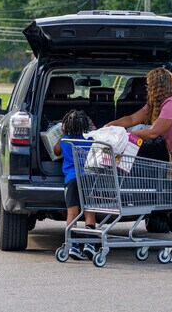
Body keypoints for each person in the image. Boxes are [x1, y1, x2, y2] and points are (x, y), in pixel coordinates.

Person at [107, 68, 172, 263]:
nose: (147, 88)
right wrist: (112, 126)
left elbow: (154, 133)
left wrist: (126, 135)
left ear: (157, 86)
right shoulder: (156, 104)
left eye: (149, 85)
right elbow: (131, 119)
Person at [54, 109, 97, 261]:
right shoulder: (90, 140)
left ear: (66, 127)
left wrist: (62, 133)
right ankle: (90, 245)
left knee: (72, 213)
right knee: (89, 211)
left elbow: (56, 152)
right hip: (88, 179)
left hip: (71, 180)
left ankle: (73, 246)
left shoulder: (64, 140)